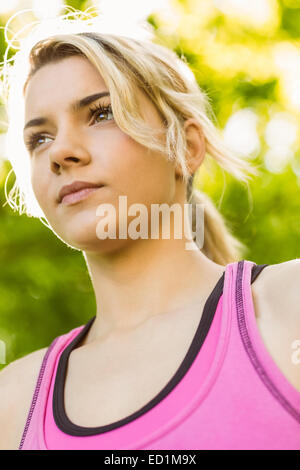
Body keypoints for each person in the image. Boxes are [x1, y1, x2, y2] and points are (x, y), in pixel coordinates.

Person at [0, 14, 299, 451]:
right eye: (39, 139)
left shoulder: (287, 307)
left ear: (186, 147)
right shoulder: (13, 403)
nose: (60, 152)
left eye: (101, 113)